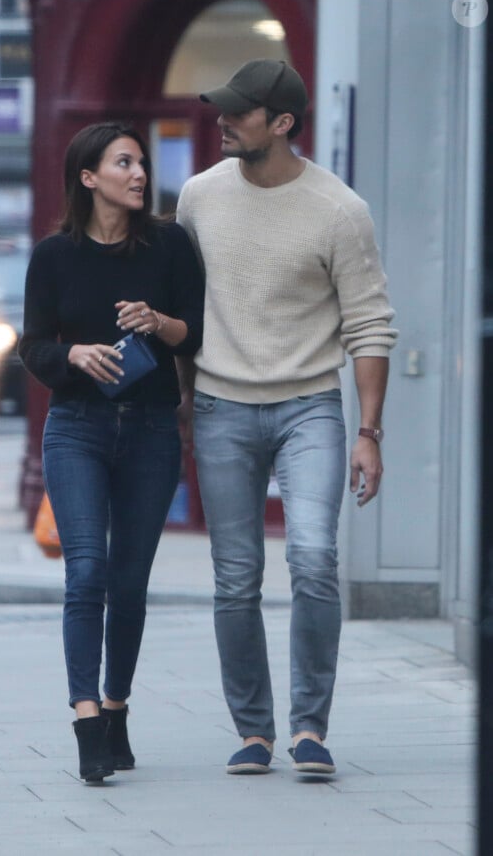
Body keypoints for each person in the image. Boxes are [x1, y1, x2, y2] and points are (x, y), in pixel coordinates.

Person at [176, 59, 398, 777]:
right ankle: (253, 731)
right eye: (224, 109)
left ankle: (309, 728)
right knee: (235, 576)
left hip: (310, 407)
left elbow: (370, 326)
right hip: (220, 405)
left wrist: (368, 433)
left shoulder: (339, 210)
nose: (224, 120)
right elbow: (180, 303)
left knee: (312, 557)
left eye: (240, 112)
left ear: (282, 124)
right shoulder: (198, 197)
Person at [19, 122, 204, 782]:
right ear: (89, 177)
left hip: (152, 429)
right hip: (76, 428)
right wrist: (71, 353)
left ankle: (118, 703)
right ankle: (86, 717)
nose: (139, 173)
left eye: (142, 162)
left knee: (128, 583)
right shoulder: (53, 255)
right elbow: (32, 345)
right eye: (123, 162)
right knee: (87, 572)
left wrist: (158, 323)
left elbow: (195, 333)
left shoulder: (170, 246)